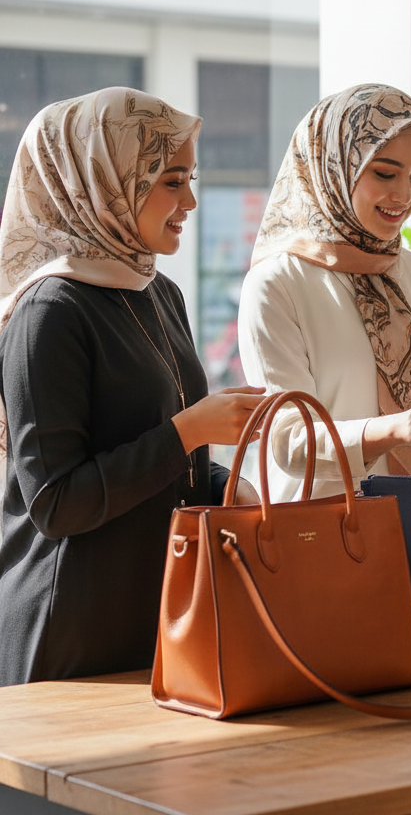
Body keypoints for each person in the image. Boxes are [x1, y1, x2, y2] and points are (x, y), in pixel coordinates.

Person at [0, 87, 266, 686]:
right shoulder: (50, 310)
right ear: (104, 181)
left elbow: (161, 459)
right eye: (172, 180)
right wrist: (192, 430)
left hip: (157, 617)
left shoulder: (158, 293)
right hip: (67, 634)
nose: (190, 199)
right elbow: (54, 502)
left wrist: (231, 485)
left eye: (190, 178)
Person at [237, 83, 411, 503]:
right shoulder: (277, 285)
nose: (404, 196)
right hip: (324, 539)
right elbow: (287, 442)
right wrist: (396, 429)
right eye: (384, 173)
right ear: (336, 167)